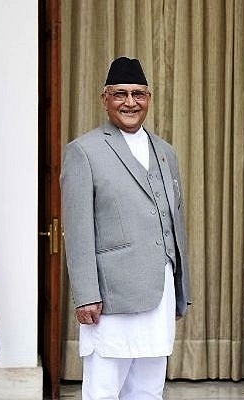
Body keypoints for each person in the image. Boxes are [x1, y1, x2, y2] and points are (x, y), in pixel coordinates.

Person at [61, 56, 191, 400]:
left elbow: (174, 225)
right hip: (111, 296)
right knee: (103, 388)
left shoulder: (165, 152)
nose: (130, 102)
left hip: (159, 293)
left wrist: (180, 290)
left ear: (148, 98)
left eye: (138, 94)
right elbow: (77, 230)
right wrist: (86, 294)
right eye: (120, 94)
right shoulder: (83, 152)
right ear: (105, 99)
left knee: (149, 388)